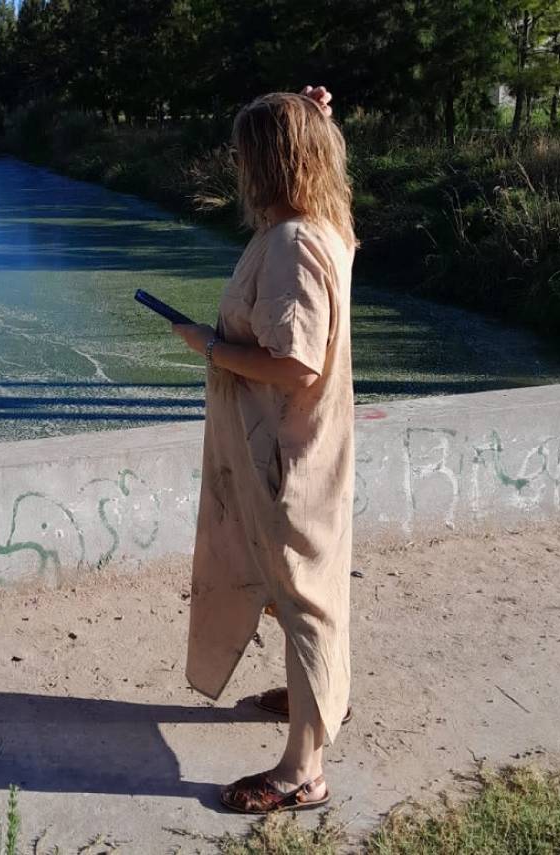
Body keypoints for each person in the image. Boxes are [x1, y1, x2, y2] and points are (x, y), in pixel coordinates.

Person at [171, 86, 356, 814]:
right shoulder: (324, 226)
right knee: (298, 584)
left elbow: (296, 364)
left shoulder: (291, 245)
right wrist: (316, 122)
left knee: (302, 596)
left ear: (269, 164)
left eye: (246, 154)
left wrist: (208, 345)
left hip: (284, 453)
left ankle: (301, 771)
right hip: (301, 442)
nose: (237, 166)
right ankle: (318, 700)